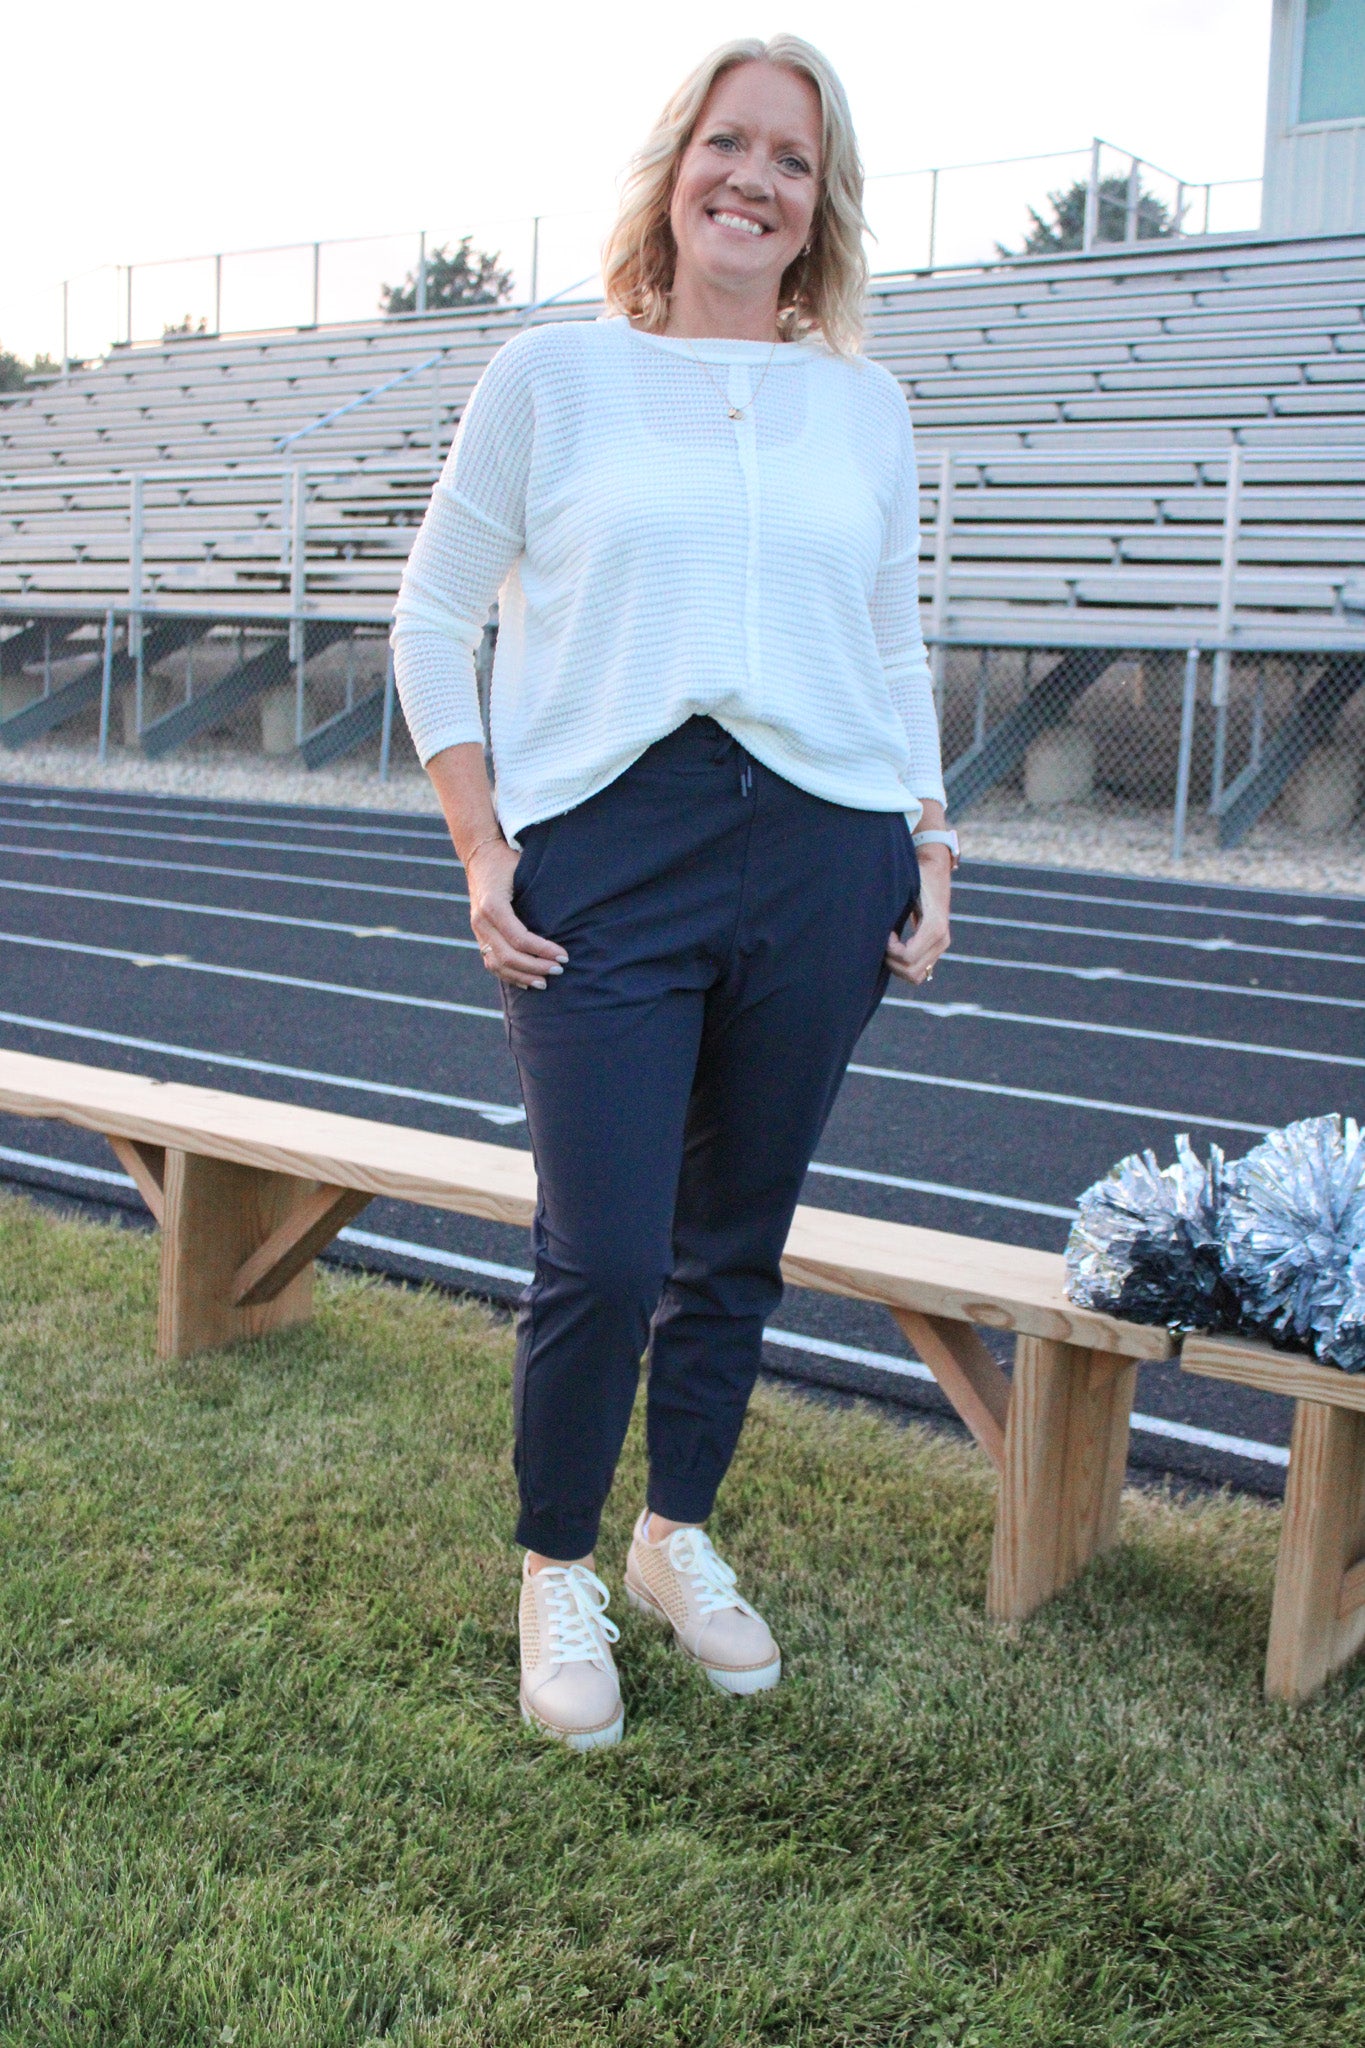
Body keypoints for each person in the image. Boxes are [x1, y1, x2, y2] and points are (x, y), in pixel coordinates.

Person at [391, 33, 954, 1751]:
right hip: (608, 853)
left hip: (827, 846)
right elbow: (430, 617)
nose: (752, 179)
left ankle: (673, 1534)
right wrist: (482, 845)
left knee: (735, 1240)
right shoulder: (552, 377)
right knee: (607, 1245)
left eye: (791, 159)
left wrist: (929, 842)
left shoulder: (865, 406)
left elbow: (891, 642)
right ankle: (555, 1562)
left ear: (820, 208)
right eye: (729, 142)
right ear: (674, 166)